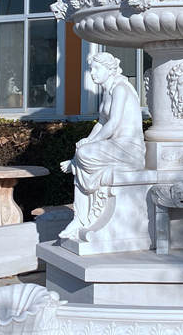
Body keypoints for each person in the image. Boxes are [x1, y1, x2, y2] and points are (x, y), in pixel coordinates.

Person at [58, 53, 145, 241]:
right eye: (91, 69)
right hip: (115, 146)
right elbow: (101, 123)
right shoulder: (107, 91)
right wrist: (87, 141)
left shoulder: (120, 88)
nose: (92, 73)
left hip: (129, 149)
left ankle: (80, 218)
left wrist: (88, 146)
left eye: (97, 69)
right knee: (81, 150)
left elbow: (113, 124)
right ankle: (79, 218)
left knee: (83, 154)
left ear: (110, 69)